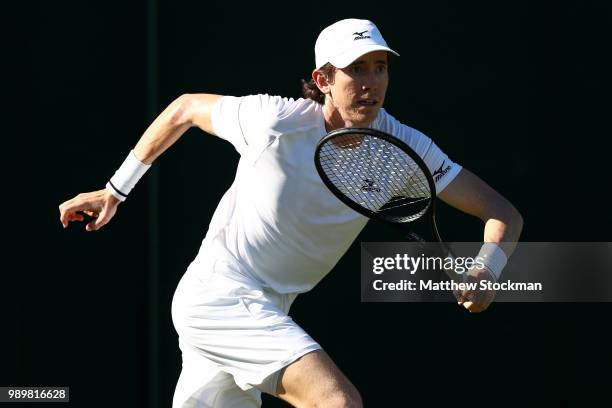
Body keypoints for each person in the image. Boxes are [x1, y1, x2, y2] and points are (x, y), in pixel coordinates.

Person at [59, 18, 523, 408]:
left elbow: (501, 213)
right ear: (323, 80)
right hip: (220, 295)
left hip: (270, 307)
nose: (371, 82)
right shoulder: (274, 121)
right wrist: (115, 190)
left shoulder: (407, 148)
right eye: (355, 70)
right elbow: (184, 109)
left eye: (380, 68)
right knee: (337, 402)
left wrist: (488, 268)